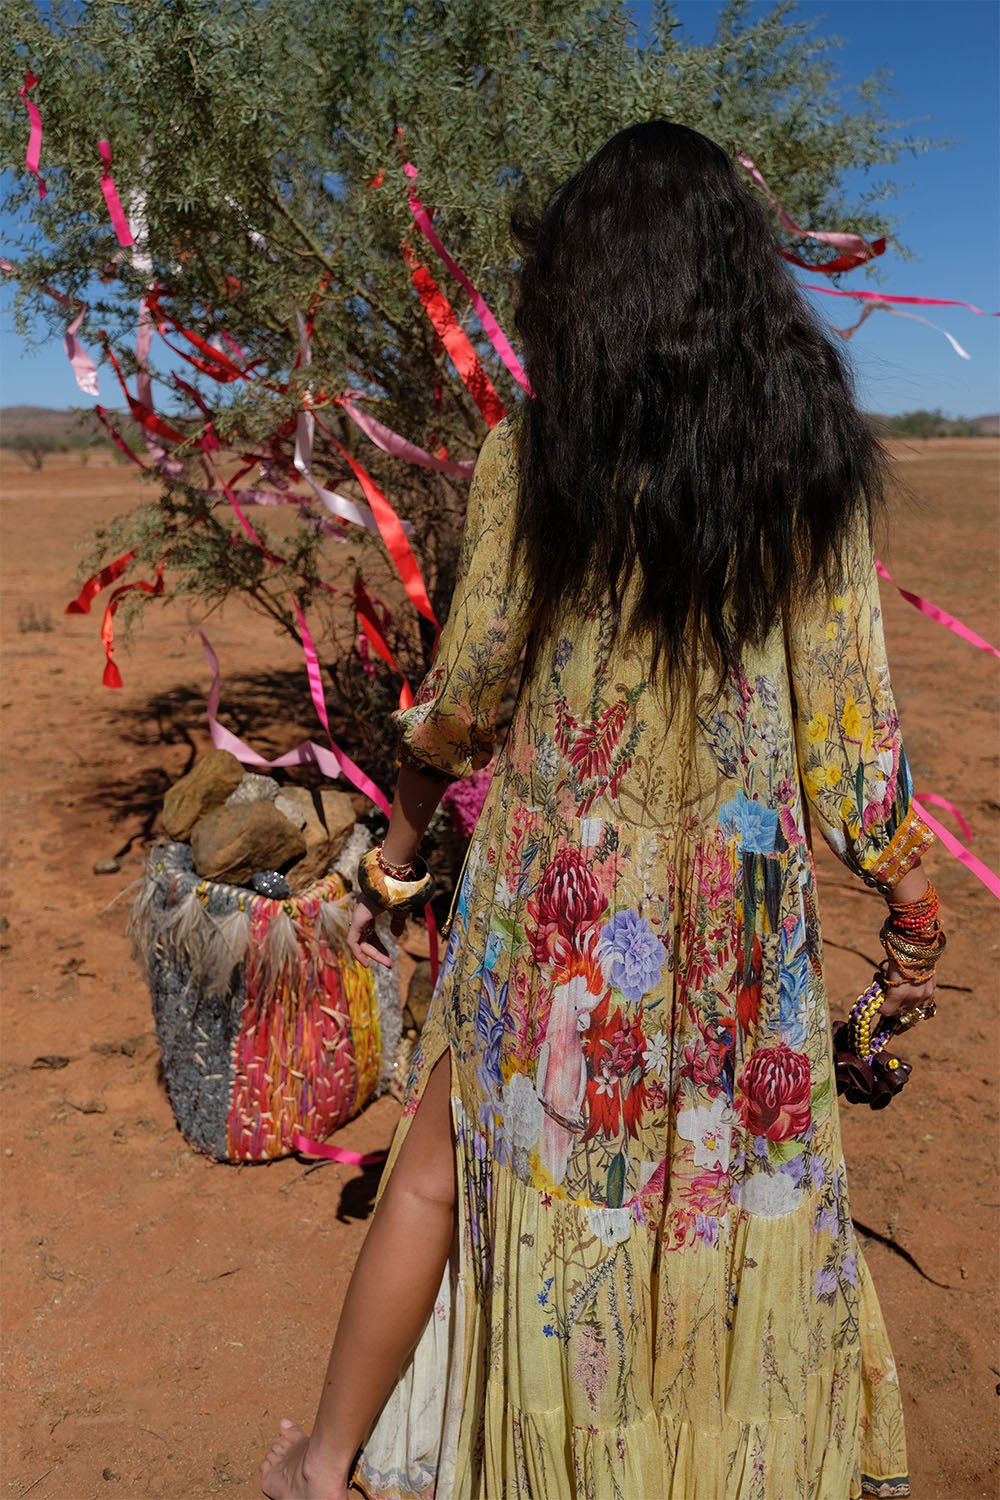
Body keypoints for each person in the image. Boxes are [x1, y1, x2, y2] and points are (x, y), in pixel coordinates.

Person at [260, 121, 943, 1500]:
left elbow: (466, 702)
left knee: (439, 1179)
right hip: (743, 939)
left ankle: (320, 1469)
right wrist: (911, 904)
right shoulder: (813, 467)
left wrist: (396, 849)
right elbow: (852, 752)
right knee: (718, 1211)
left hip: (561, 933)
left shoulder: (539, 453)